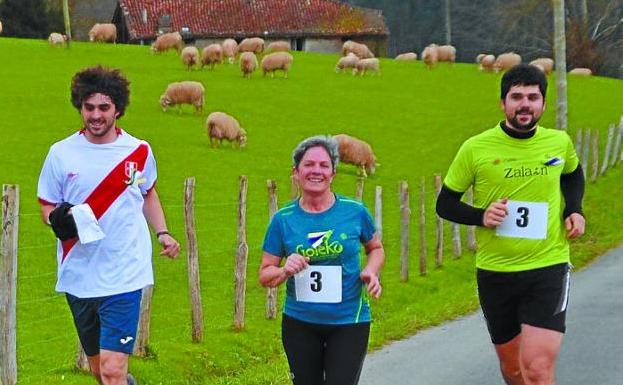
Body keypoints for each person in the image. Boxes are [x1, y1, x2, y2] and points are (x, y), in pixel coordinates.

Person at [436, 63, 585, 385]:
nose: (525, 104)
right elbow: (444, 204)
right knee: (514, 370)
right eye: (516, 97)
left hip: (548, 266)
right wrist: (481, 216)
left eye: (533, 97)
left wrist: (574, 209)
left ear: (543, 104)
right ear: (503, 103)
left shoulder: (559, 142)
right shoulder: (476, 148)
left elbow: (573, 174)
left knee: (537, 368)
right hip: (496, 272)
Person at [37, 65, 180, 385]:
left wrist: (163, 232)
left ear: (118, 108)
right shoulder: (60, 154)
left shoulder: (138, 152)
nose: (96, 115)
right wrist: (56, 218)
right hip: (80, 273)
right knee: (100, 372)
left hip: (124, 273)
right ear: (80, 107)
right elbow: (46, 205)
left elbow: (147, 193)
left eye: (104, 107)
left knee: (113, 371)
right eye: (89, 107)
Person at [259, 135, 385, 385]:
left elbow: (376, 248)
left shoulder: (355, 211)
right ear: (296, 172)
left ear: (333, 173)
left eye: (324, 165)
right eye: (309, 165)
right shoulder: (283, 219)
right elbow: (265, 275)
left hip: (349, 320)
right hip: (300, 323)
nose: (316, 171)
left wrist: (371, 271)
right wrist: (285, 270)